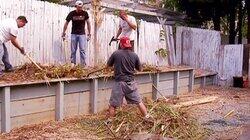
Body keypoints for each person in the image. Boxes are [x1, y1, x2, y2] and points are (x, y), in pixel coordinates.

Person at [106, 36, 150, 119]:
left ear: (121, 44)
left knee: (113, 105)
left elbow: (108, 65)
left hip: (120, 83)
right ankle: (147, 117)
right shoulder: (134, 55)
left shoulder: (116, 53)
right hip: (131, 83)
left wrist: (116, 68)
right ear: (128, 44)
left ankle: (110, 121)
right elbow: (140, 69)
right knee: (139, 102)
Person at [62, 0, 91, 67]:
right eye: (79, 7)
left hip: (82, 34)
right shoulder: (71, 13)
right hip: (74, 34)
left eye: (81, 7)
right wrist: (63, 32)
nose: (80, 9)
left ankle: (83, 65)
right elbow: (66, 23)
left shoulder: (85, 13)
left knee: (82, 50)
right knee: (73, 50)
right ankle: (73, 63)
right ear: (76, 6)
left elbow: (88, 23)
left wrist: (89, 33)